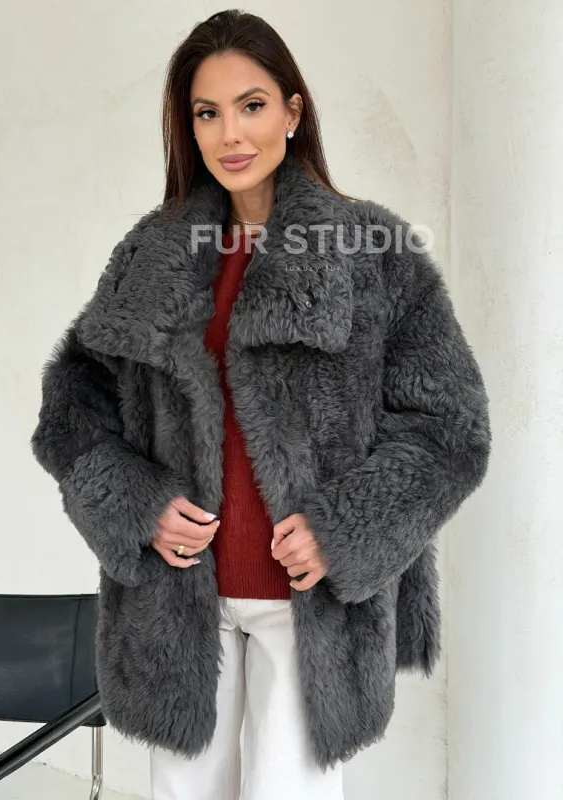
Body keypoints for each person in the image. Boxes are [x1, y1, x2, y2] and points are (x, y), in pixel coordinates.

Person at [30, 9, 491, 800]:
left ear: (292, 110)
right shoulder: (154, 252)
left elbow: (450, 428)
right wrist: (139, 504)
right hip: (180, 599)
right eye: (207, 113)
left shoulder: (372, 251)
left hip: (308, 600)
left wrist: (344, 528)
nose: (230, 134)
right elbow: (72, 414)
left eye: (251, 105)